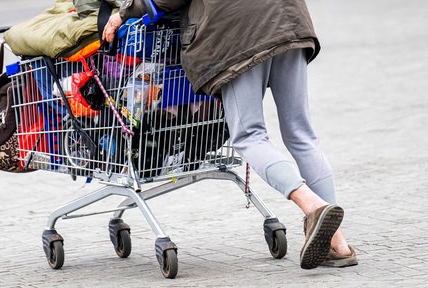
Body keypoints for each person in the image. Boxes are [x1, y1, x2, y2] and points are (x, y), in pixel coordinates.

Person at [102, 0, 358, 269]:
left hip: (239, 33)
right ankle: (337, 244)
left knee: (249, 136)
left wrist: (124, 12)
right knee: (301, 134)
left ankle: (312, 206)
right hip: (289, 20)